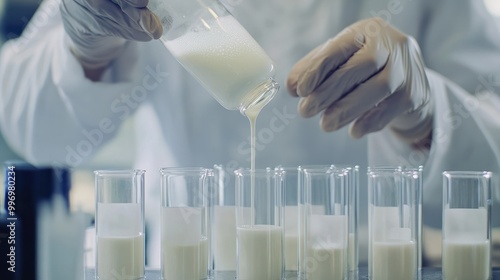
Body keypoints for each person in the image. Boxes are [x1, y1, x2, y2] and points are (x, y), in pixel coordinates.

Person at [1, 0, 500, 268]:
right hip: (188, 265)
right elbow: (30, 129)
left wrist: (430, 112)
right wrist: (84, 51)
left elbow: (492, 189)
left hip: (360, 263)